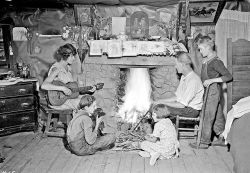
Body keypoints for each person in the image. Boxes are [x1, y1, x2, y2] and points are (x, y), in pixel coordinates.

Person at [190, 36, 233, 149]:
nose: (200, 52)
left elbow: (228, 76)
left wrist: (212, 80)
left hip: (213, 91)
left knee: (206, 116)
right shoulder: (207, 60)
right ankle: (223, 137)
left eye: (201, 49)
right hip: (210, 91)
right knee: (218, 115)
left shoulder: (216, 62)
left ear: (208, 48)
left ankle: (204, 141)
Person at [41, 43, 96, 111]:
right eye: (72, 56)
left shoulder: (68, 68)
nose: (74, 58)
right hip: (58, 101)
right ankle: (81, 121)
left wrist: (87, 90)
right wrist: (62, 88)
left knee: (92, 100)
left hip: (68, 99)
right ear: (65, 56)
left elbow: (73, 90)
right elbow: (44, 86)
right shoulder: (56, 68)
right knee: (87, 104)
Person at [153, 51, 204, 119]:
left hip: (191, 111)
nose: (175, 66)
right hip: (185, 108)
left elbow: (181, 105)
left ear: (182, 64)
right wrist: (159, 101)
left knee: (159, 109)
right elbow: (177, 98)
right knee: (158, 106)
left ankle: (165, 127)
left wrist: (162, 103)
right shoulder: (184, 77)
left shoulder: (193, 80)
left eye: (176, 64)